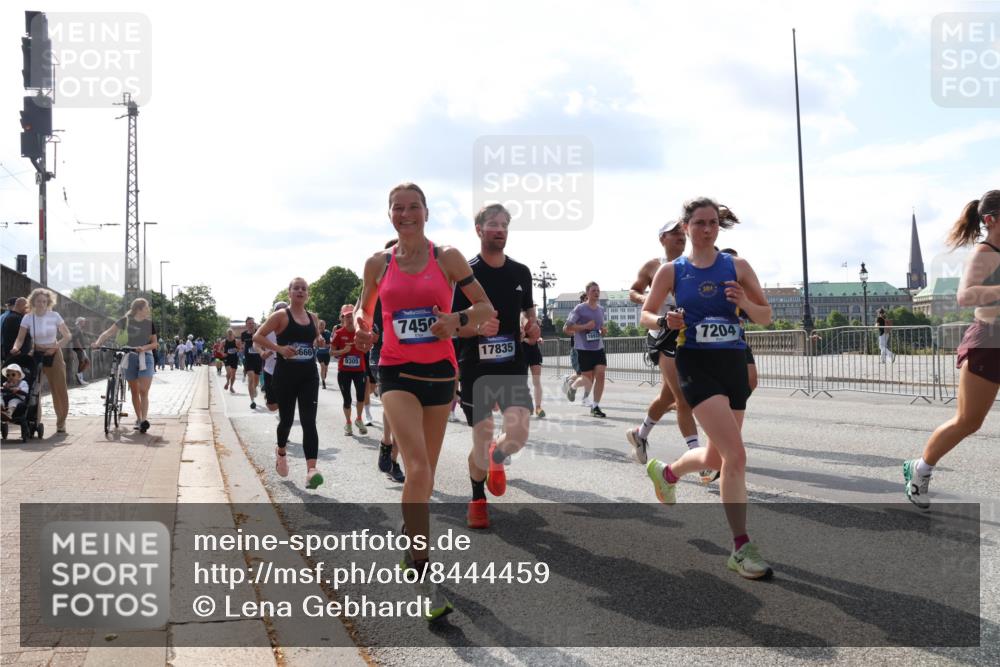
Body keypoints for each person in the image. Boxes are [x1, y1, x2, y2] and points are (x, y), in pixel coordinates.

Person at [353, 183, 493, 621]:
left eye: (414, 207)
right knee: (415, 468)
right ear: (389, 215)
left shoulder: (447, 258)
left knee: (426, 478)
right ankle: (421, 568)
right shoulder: (378, 263)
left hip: (440, 374)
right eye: (398, 208)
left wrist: (457, 319)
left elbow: (486, 309)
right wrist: (363, 328)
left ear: (427, 213)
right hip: (395, 371)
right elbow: (364, 308)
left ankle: (410, 534)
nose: (406, 213)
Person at [641, 197, 774, 580]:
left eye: (712, 222)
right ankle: (741, 546)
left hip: (732, 363)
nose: (706, 228)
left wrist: (744, 301)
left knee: (717, 459)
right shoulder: (673, 270)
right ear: (686, 228)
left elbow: (765, 316)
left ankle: (666, 474)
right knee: (737, 456)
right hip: (696, 364)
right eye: (699, 222)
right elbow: (646, 316)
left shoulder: (738, 266)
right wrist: (666, 319)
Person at [904, 190, 1000, 510]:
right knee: (968, 421)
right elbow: (965, 296)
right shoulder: (984, 253)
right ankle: (920, 470)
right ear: (991, 220)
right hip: (988, 343)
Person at [454, 203, 540, 529]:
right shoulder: (465, 275)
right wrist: (475, 328)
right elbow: (451, 325)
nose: (500, 229)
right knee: (482, 434)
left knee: (517, 434)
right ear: (479, 230)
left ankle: (498, 456)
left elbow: (530, 313)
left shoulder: (521, 272)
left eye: (505, 224)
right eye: (493, 224)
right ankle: (477, 496)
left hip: (512, 365)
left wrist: (532, 326)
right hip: (475, 368)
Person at [626, 220, 700, 464]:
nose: (681, 236)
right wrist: (647, 297)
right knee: (683, 400)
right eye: (674, 233)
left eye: (682, 233)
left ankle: (640, 434)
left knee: (667, 398)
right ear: (662, 239)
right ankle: (697, 459)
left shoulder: (693, 264)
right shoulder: (653, 266)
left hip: (688, 335)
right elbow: (633, 291)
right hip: (662, 336)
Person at [254, 279, 326, 489]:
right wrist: (280, 349)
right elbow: (258, 337)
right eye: (296, 288)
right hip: (285, 375)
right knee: (286, 421)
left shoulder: (312, 317)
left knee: (308, 421)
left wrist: (319, 340)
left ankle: (311, 470)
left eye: (304, 289)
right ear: (289, 293)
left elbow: (315, 338)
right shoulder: (281, 316)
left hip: (308, 376)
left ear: (308, 294)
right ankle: (281, 452)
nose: (300, 291)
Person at [10, 288, 72, 434]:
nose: (41, 304)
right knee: (33, 388)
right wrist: (15, 347)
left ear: (48, 302)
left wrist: (55, 348)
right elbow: (20, 338)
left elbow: (67, 336)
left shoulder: (54, 316)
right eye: (38, 301)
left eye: (44, 301)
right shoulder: (28, 317)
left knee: (58, 388)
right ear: (33, 302)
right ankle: (34, 420)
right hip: (36, 352)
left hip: (54, 353)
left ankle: (61, 422)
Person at [93, 298, 159, 433]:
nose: (148, 310)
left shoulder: (149, 323)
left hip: (145, 356)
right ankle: (139, 419)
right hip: (129, 356)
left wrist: (143, 347)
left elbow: (155, 344)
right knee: (134, 390)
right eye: (147, 308)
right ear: (139, 309)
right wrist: (98, 342)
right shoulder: (125, 320)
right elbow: (108, 332)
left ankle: (144, 419)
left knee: (143, 390)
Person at [564, 282, 608, 417]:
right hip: (583, 349)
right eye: (594, 290)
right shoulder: (580, 309)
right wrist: (585, 326)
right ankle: (571, 387)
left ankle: (595, 407)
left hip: (598, 348)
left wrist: (603, 330)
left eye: (598, 290)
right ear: (587, 293)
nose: (596, 292)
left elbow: (600, 328)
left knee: (600, 375)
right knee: (587, 379)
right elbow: (566, 329)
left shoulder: (601, 309)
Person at [721, 248, 758, 394]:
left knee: (751, 380)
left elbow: (756, 318)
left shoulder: (741, 290)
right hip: (714, 343)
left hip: (738, 340)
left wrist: (746, 305)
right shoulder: (713, 286)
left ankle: (729, 407)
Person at [331, 305, 369, 436]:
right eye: (346, 316)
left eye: (351, 316)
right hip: (344, 371)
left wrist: (363, 348)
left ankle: (359, 419)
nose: (349, 319)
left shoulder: (361, 331)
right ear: (342, 318)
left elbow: (367, 349)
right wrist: (343, 351)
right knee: (347, 399)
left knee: (360, 397)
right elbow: (331, 352)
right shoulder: (339, 333)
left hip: (359, 370)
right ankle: (348, 423)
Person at [260, 302, 286, 412]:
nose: (281, 313)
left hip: (287, 370)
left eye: (284, 310)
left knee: (286, 398)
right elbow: (255, 343)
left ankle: (284, 413)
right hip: (270, 370)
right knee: (272, 406)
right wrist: (262, 353)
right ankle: (270, 398)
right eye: (278, 310)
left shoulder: (293, 328)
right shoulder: (267, 328)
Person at [241, 317, 263, 409]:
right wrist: (243, 353)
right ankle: (252, 401)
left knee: (256, 379)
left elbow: (263, 342)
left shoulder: (259, 332)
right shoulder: (244, 334)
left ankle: (255, 388)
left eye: (252, 323)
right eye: (249, 323)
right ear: (246, 325)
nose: (251, 325)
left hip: (258, 358)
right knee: (250, 377)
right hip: (249, 359)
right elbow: (243, 345)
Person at [1, 298, 31, 362]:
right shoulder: (17, 319)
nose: (28, 310)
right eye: (27, 307)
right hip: (16, 356)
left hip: (13, 355)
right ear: (23, 306)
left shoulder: (11, 317)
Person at [523, 338, 545, 418]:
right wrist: (524, 339)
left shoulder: (534, 324)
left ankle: (538, 408)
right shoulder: (515, 325)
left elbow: (535, 333)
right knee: (522, 382)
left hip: (534, 351)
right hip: (521, 352)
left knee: (537, 381)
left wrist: (539, 338)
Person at [68, 316, 92, 385]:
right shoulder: (77, 329)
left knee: (84, 362)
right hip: (79, 348)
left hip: (80, 348)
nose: (84, 323)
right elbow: (75, 339)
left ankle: (80, 377)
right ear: (80, 322)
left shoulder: (79, 329)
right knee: (85, 362)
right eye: (83, 321)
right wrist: (81, 348)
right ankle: (79, 377)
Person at [316, 320, 332, 390]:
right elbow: (314, 344)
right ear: (318, 326)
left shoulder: (328, 333)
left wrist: (326, 345)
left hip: (327, 353)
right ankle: (323, 383)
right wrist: (317, 344)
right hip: (319, 353)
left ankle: (324, 377)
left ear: (324, 326)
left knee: (325, 368)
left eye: (323, 325)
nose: (321, 326)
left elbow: (330, 343)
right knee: (322, 367)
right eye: (320, 325)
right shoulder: (316, 333)